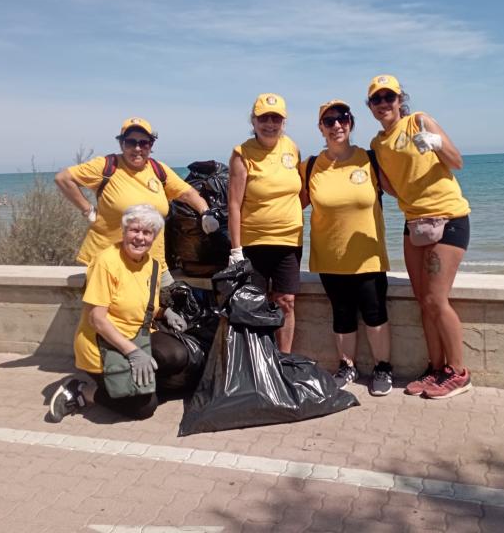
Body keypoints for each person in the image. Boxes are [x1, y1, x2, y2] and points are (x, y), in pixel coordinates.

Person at [367, 74, 472, 399]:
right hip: (414, 222)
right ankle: (436, 369)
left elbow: (457, 162)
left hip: (449, 217)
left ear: (400, 100)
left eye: (390, 97)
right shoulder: (377, 144)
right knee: (423, 301)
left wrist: (436, 144)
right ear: (370, 106)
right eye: (377, 99)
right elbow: (389, 184)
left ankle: (458, 372)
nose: (384, 104)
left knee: (437, 300)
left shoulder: (419, 121)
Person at [49, 204, 188, 421]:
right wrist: (133, 353)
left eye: (147, 232)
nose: (140, 237)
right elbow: (97, 319)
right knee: (144, 409)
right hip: (102, 344)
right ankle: (82, 392)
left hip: (138, 336)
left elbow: (139, 304)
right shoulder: (106, 262)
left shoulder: (151, 265)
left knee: (177, 356)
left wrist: (166, 312)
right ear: (123, 232)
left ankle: (134, 383)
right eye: (135, 230)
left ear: (154, 237)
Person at [55, 117, 218, 291]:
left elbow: (187, 193)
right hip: (110, 262)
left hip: (155, 263)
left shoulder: (159, 170)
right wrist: (87, 210)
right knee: (112, 315)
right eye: (131, 142)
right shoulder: (107, 166)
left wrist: (205, 212)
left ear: (151, 145)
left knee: (167, 309)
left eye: (144, 143)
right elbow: (64, 178)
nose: (137, 148)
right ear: (121, 144)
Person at [300, 100, 394, 396]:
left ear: (351, 122)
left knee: (375, 312)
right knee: (341, 314)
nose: (337, 125)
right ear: (321, 128)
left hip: (368, 256)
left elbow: (402, 187)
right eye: (329, 121)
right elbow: (289, 202)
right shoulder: (312, 165)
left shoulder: (370, 159)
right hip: (330, 257)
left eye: (342, 118)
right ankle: (347, 366)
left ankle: (383, 367)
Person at [227, 94, 303, 353]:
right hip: (254, 243)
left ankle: (284, 359)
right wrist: (236, 250)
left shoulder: (291, 147)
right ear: (254, 120)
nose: (270, 123)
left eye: (276, 118)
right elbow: (234, 205)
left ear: (284, 121)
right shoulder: (242, 153)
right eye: (264, 118)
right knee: (254, 305)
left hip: (289, 241)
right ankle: (259, 363)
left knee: (286, 302)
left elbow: (299, 191)